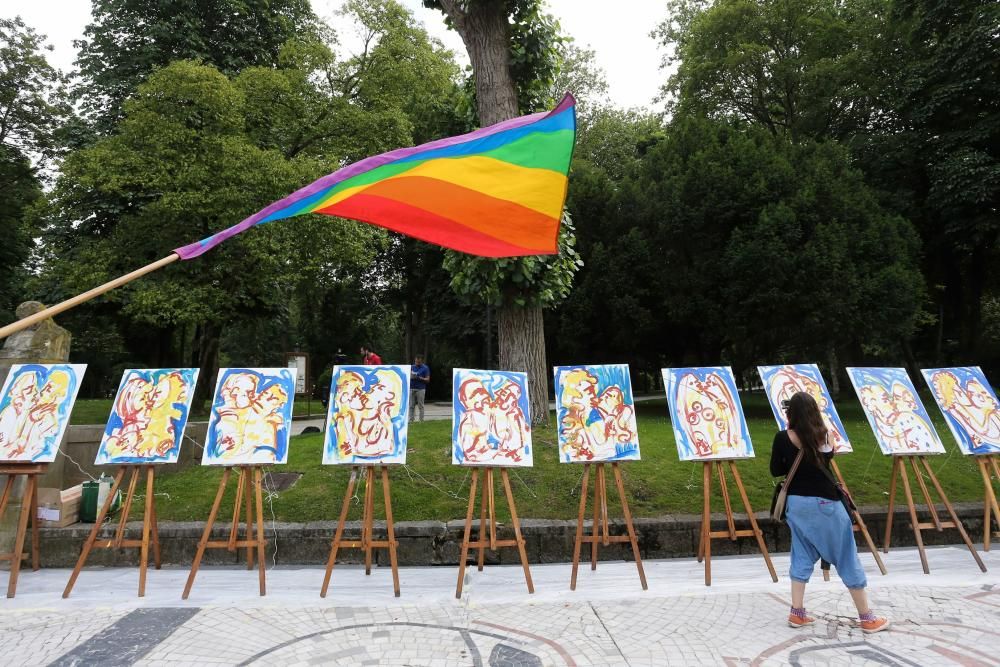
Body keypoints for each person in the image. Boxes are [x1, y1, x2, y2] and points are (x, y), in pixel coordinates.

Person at [770, 391, 890, 633]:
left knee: (801, 552)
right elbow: (826, 458)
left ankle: (797, 612)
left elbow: (775, 470)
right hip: (826, 503)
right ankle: (866, 617)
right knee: (845, 554)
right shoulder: (824, 435)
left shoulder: (782, 437)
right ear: (815, 412)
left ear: (790, 413)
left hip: (796, 504)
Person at [409, 355, 430, 422]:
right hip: (411, 388)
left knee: (420, 405)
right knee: (411, 405)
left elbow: (428, 379)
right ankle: (411, 420)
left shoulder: (425, 368)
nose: (417, 363)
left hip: (421, 389)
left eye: (418, 362)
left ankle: (421, 420)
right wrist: (411, 376)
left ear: (421, 361)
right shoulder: (412, 367)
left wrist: (421, 378)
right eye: (416, 362)